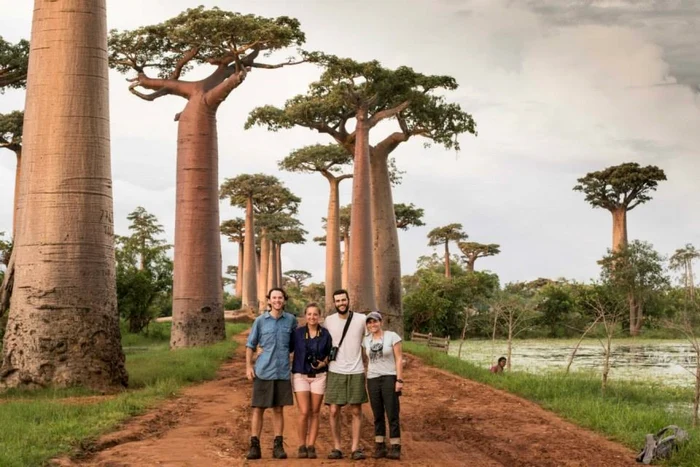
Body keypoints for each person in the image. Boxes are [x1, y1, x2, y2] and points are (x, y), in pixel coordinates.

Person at [245, 288, 297, 460]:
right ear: (269, 300)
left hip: (282, 371)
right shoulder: (260, 321)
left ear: (284, 300)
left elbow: (294, 345)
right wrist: (248, 366)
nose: (277, 300)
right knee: (258, 408)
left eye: (280, 297)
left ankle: (278, 446)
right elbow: (250, 345)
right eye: (274, 298)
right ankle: (255, 445)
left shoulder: (291, 320)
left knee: (278, 409)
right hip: (263, 370)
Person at [323, 289, 368, 460]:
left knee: (356, 410)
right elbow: (324, 342)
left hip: (356, 370)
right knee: (334, 410)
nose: (341, 303)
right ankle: (337, 447)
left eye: (344, 300)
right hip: (335, 370)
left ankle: (355, 447)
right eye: (338, 301)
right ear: (334, 303)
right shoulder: (329, 321)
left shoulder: (361, 319)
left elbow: (373, 337)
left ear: (349, 301)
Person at [290, 303, 332, 459]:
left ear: (319, 316)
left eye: (315, 314)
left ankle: (311, 445)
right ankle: (301, 445)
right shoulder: (298, 333)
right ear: (305, 316)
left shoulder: (325, 334)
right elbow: (287, 348)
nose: (312, 317)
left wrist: (324, 362)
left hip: (319, 376)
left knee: (315, 412)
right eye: (309, 314)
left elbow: (330, 353)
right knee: (304, 411)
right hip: (300, 374)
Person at [363, 311, 404, 460]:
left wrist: (399, 380)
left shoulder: (392, 336)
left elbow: (399, 359)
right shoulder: (366, 340)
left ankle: (395, 446)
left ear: (381, 322)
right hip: (372, 378)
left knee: (392, 413)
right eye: (369, 322)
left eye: (375, 321)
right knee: (377, 414)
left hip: (389, 377)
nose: (372, 324)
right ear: (367, 325)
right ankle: (379, 445)